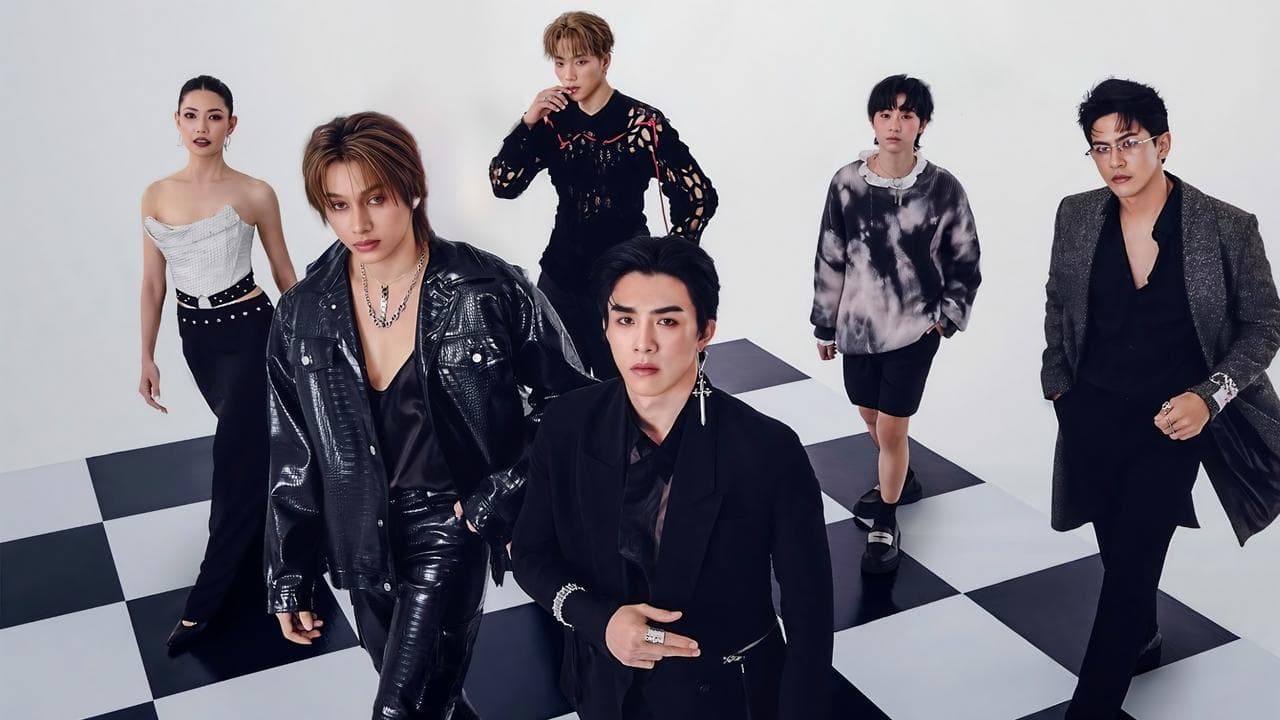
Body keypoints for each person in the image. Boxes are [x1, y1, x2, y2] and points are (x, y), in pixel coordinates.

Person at [265, 111, 592, 718]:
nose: (358, 224)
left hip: (451, 524)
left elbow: (574, 405)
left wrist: (501, 493)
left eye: (376, 199)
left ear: (412, 189)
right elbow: (294, 452)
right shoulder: (302, 311)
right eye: (338, 205)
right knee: (431, 702)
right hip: (358, 531)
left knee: (400, 711)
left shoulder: (488, 288)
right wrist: (289, 571)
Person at [513, 237, 833, 719]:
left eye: (667, 321)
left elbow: (810, 614)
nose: (643, 343)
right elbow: (531, 555)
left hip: (727, 697)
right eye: (625, 320)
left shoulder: (768, 449)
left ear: (705, 331)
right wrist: (599, 622)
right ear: (605, 327)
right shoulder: (567, 425)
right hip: (605, 689)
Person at [1043, 78, 1280, 719]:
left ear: (1163, 143)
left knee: (1129, 570)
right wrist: (1058, 384)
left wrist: (1210, 397)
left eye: (1128, 143)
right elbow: (1060, 300)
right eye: (1100, 148)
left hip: (1173, 423)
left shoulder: (1226, 226)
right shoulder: (1075, 214)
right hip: (1090, 412)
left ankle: (1090, 708)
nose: (1114, 160)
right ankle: (1143, 635)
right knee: (1118, 550)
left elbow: (1265, 325)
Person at [138, 74, 298, 652]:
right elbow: (153, 284)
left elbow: (283, 271)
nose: (201, 127)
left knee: (232, 465)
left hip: (250, 331)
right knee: (252, 457)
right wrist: (146, 355)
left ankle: (205, 606)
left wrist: (303, 344)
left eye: (213, 116)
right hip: (196, 339)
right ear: (177, 122)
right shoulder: (156, 194)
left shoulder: (254, 192)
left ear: (232, 124)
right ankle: (277, 558)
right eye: (191, 115)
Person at [809, 74, 981, 574]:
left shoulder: (942, 187)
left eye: (907, 115)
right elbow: (830, 254)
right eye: (886, 114)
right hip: (859, 328)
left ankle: (886, 519)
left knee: (891, 427)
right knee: (869, 413)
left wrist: (945, 320)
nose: (895, 124)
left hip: (915, 329)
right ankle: (902, 479)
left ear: (922, 124)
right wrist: (825, 323)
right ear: (873, 120)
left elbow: (965, 257)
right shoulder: (847, 182)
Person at [490, 10, 718, 379]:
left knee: (624, 385)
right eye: (560, 63)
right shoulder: (551, 121)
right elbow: (504, 185)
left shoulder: (641, 123)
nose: (569, 75)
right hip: (561, 275)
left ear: (604, 61)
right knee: (559, 385)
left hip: (623, 278)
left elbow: (698, 197)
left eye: (581, 62)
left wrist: (667, 263)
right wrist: (528, 121)